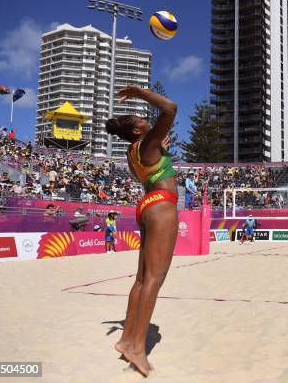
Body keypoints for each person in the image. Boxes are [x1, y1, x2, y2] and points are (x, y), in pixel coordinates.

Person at [105, 85, 178, 377]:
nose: (146, 120)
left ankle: (125, 339)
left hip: (146, 205)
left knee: (140, 279)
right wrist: (140, 92)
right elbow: (170, 108)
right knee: (154, 280)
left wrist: (159, 146)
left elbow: (151, 162)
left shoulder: (132, 150)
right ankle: (136, 347)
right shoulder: (146, 144)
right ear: (137, 131)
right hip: (162, 205)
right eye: (141, 119)